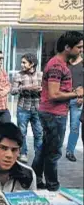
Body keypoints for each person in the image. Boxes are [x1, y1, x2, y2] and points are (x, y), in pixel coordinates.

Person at [32, 31, 83, 191]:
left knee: (45, 149)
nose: (81, 50)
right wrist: (76, 93)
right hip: (53, 114)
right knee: (53, 153)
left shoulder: (61, 64)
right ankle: (52, 186)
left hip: (53, 113)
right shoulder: (56, 65)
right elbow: (54, 94)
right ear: (67, 47)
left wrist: (73, 90)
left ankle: (34, 179)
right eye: (79, 47)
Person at [11, 53, 43, 163]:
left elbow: (47, 90)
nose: (22, 64)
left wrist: (40, 89)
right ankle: (23, 153)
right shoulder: (18, 75)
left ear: (32, 64)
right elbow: (13, 91)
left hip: (38, 108)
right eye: (22, 62)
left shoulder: (41, 75)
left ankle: (39, 155)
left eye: (24, 62)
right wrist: (26, 87)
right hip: (23, 108)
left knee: (39, 133)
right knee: (22, 132)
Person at [65, 51, 83, 162]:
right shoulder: (65, 62)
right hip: (63, 97)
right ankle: (55, 149)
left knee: (75, 126)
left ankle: (70, 151)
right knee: (59, 125)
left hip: (78, 99)